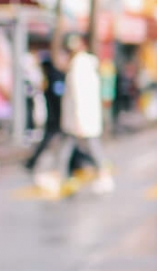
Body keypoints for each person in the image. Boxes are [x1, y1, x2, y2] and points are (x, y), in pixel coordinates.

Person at [32, 35, 112, 195]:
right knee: (69, 147)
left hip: (79, 118)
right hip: (81, 118)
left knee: (87, 146)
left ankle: (102, 175)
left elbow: (79, 96)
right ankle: (60, 175)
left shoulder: (79, 66)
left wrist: (78, 120)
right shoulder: (85, 64)